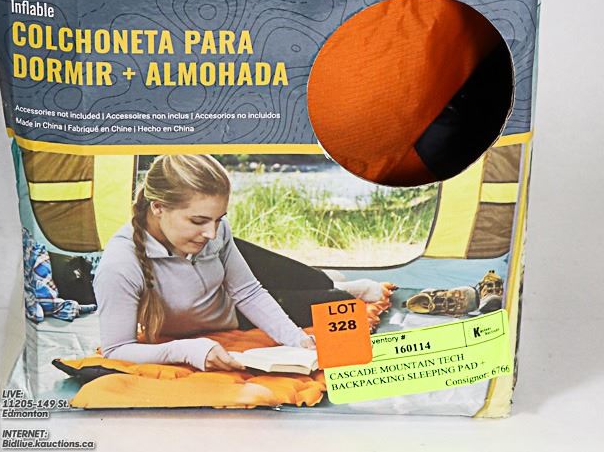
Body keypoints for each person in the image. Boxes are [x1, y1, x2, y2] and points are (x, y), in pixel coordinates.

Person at [94, 154, 390, 372]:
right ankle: (340, 287)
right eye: (198, 220)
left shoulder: (214, 234)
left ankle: (329, 279)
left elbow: (248, 291)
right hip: (229, 314)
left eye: (218, 219)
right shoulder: (120, 266)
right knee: (337, 301)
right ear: (158, 207)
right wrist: (183, 350)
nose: (212, 232)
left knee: (315, 280)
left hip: (229, 280)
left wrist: (297, 340)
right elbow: (116, 349)